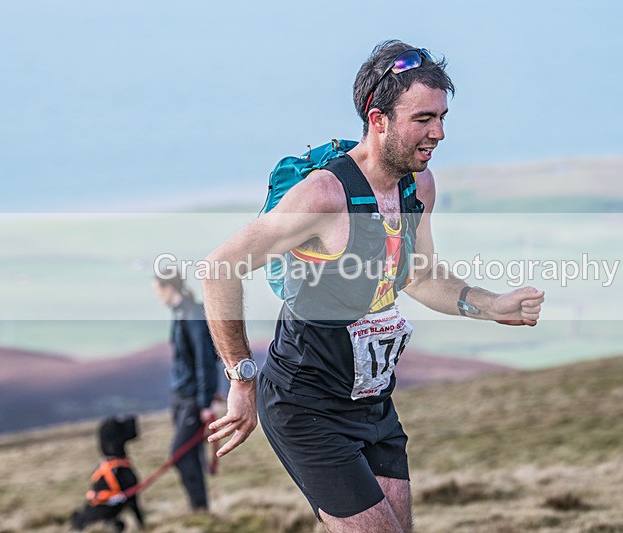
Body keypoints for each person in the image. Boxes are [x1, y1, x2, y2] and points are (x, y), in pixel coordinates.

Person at [202, 40, 544, 532]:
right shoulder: (324, 196)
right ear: (378, 119)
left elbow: (420, 275)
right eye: (423, 119)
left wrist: (491, 305)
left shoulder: (417, 186)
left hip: (374, 402)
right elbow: (219, 268)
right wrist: (241, 378)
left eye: (442, 117)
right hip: (306, 407)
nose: (439, 133)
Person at [152, 270, 219, 512]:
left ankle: (199, 508)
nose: (156, 296)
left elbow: (205, 360)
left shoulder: (193, 315)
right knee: (189, 454)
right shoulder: (181, 313)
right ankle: (199, 509)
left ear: (169, 288)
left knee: (180, 454)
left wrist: (205, 403)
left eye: (157, 290)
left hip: (191, 398)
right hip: (181, 396)